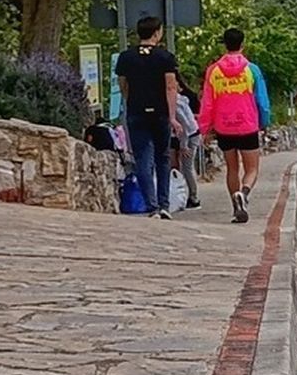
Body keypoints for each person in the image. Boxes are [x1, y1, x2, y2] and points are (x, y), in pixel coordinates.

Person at [199, 28, 272, 223]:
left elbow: (207, 102)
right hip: (247, 125)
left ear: (224, 44)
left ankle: (236, 207)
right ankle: (244, 194)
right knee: (252, 169)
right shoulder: (252, 70)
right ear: (243, 44)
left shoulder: (213, 71)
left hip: (224, 127)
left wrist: (205, 128)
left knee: (232, 169)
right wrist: (264, 122)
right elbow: (262, 100)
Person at [115, 16, 182, 219]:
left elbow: (123, 84)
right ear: (157, 33)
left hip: (136, 112)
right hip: (160, 113)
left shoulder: (126, 57)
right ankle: (164, 204)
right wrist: (172, 116)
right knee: (162, 157)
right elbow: (170, 86)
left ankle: (151, 206)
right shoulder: (165, 57)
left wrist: (130, 102)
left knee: (142, 158)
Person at [173, 79, 203, 210]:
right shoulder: (182, 99)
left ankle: (194, 197)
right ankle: (190, 195)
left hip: (190, 136)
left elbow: (184, 125)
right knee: (187, 167)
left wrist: (183, 145)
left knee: (187, 167)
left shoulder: (176, 103)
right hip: (192, 133)